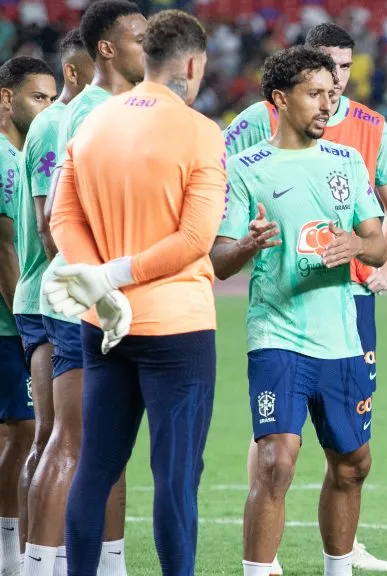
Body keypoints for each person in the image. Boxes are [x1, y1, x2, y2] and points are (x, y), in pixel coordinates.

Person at [44, 10, 226, 575]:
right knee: (174, 475)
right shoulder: (200, 130)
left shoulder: (90, 124)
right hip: (177, 327)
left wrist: (98, 282)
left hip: (105, 326)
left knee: (95, 466)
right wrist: (113, 276)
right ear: (192, 64)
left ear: (146, 57)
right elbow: (196, 239)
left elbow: (58, 217)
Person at [223, 24, 387, 572]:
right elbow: (216, 261)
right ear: (280, 100)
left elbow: (376, 242)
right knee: (276, 462)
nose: (330, 104)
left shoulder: (348, 163)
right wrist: (247, 246)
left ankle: (338, 566)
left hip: (341, 334)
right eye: (316, 93)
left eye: (333, 93)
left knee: (353, 464)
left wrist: (359, 245)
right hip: (276, 333)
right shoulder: (245, 168)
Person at [39, 3, 149, 571]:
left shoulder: (121, 107)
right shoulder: (90, 113)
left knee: (106, 445)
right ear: (106, 48)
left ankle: (109, 563)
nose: (149, 46)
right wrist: (101, 291)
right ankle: (43, 563)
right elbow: (54, 223)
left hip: (107, 298)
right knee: (77, 442)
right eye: (138, 38)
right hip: (89, 300)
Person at [14, 29, 99, 576]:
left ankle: (38, 556)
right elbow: (51, 232)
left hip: (60, 294)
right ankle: (31, 560)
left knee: (57, 437)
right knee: (54, 436)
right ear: (76, 70)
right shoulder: (55, 125)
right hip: (54, 297)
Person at [0, 55, 54, 576]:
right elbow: (5, 249)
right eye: (39, 97)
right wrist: (22, 323)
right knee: (28, 431)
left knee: (23, 432)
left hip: (17, 314)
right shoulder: (5, 158)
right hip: (17, 317)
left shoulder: (24, 153)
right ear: (5, 98)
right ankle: (18, 553)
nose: (47, 107)